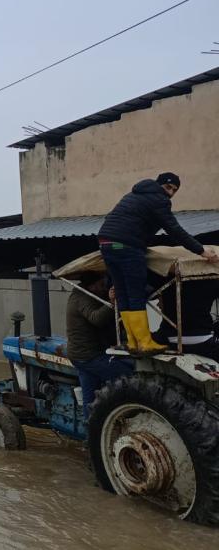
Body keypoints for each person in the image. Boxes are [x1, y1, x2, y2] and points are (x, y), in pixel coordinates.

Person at [98, 172, 219, 354]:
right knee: (135, 294)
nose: (170, 193)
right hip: (128, 246)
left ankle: (133, 342)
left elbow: (114, 220)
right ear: (159, 185)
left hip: (106, 243)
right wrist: (201, 250)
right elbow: (174, 229)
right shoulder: (158, 200)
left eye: (174, 190)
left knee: (123, 294)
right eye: (168, 187)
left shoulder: (133, 196)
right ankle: (145, 342)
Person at [66, 272, 133, 419]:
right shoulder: (82, 297)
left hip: (84, 354)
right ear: (92, 285)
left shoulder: (91, 294)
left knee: (90, 400)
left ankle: (90, 433)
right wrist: (111, 302)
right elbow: (96, 318)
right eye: (101, 285)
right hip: (88, 356)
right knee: (130, 375)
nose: (104, 288)